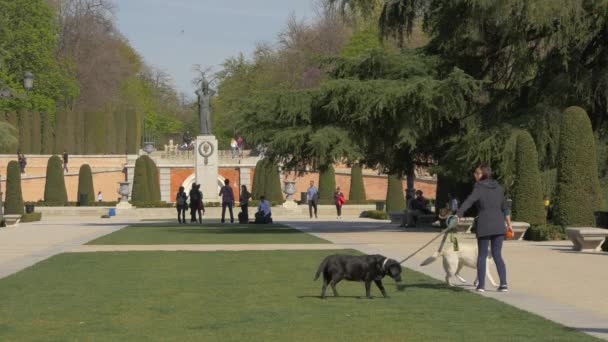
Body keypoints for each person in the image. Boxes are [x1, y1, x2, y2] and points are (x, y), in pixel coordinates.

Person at [456, 163, 511, 293]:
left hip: (485, 224)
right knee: (497, 255)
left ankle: (481, 285)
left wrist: (459, 213)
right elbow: (505, 208)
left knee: (482, 255)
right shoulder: (498, 187)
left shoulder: (479, 187)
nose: (475, 175)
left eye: (477, 173)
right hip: (498, 225)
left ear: (483, 174)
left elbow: (470, 200)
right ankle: (503, 284)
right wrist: (509, 224)